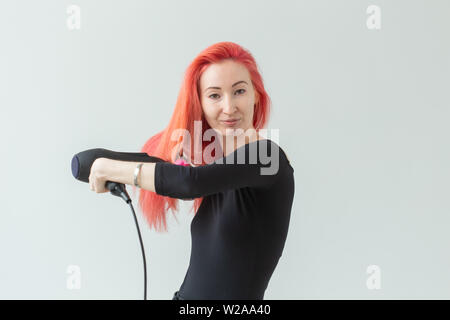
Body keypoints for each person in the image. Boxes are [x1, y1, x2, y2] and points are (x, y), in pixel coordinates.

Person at [88, 41, 295, 300]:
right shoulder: (219, 173)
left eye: (239, 91)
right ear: (201, 104)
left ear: (256, 95)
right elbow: (191, 181)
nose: (229, 107)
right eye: (215, 95)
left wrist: (105, 167)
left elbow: (189, 184)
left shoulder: (268, 157)